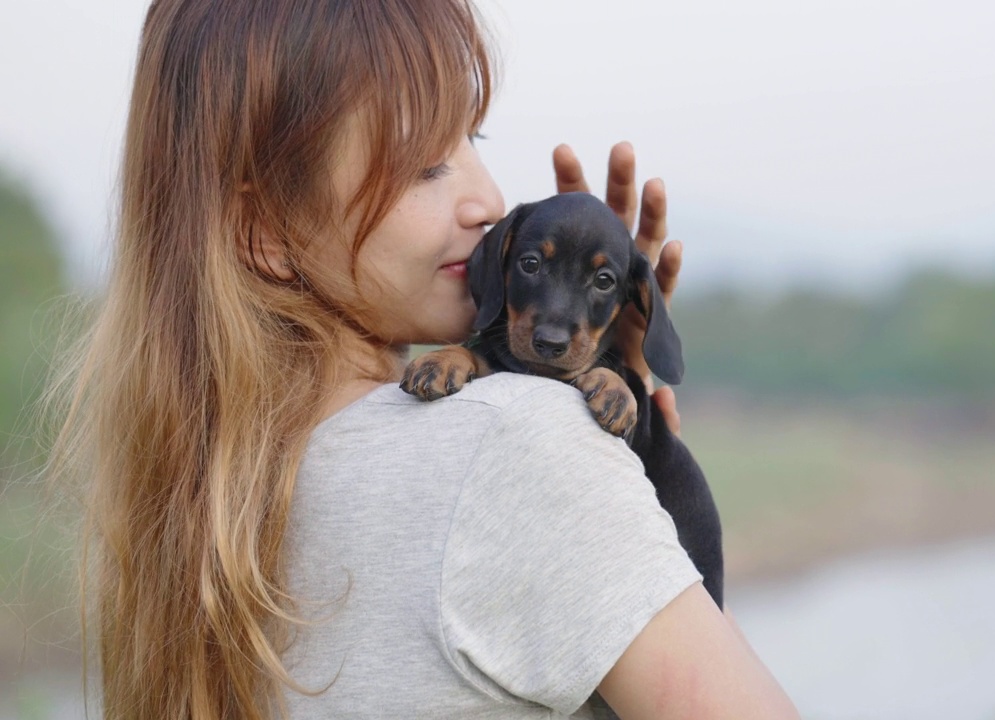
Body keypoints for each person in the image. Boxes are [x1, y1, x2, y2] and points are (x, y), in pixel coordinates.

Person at [50, 1, 800, 718]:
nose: (487, 203)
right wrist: (598, 465)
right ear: (265, 232)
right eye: (422, 164)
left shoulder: (195, 517)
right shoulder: (519, 444)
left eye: (474, 141)